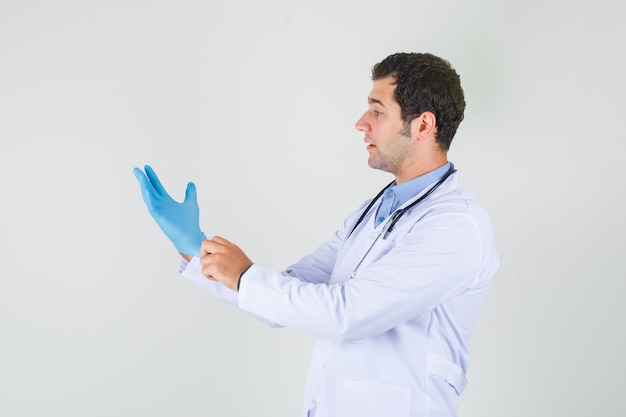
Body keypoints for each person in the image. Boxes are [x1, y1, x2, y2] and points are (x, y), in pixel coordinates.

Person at [133, 52, 499, 417]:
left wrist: (244, 275)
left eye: (377, 110)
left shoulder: (455, 226)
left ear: (423, 126)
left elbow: (348, 315)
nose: (361, 123)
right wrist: (194, 248)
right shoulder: (371, 211)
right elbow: (287, 296)